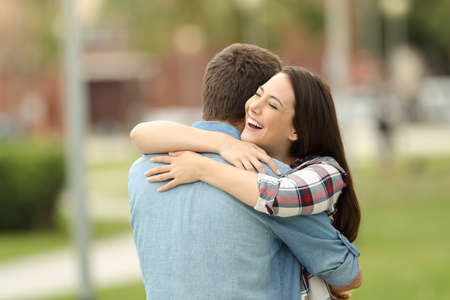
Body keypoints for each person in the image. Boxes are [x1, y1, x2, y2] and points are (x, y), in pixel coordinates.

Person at [128, 44, 361, 300]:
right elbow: (346, 275)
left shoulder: (141, 172)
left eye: (272, 102)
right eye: (260, 95)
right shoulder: (268, 177)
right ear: (248, 102)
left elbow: (140, 133)